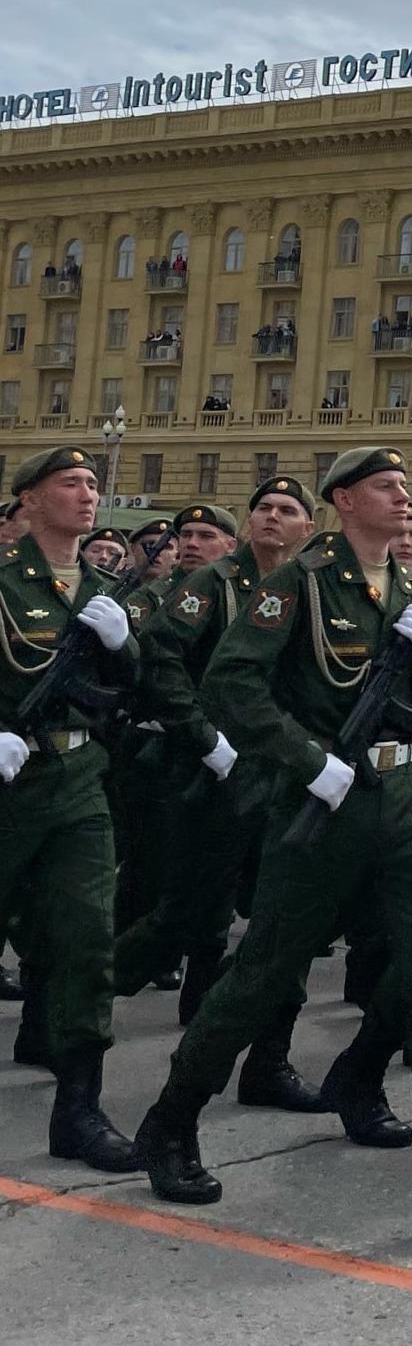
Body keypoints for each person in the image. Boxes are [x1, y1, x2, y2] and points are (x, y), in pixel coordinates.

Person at [134, 446, 412, 1260]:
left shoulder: (402, 590)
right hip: (327, 805)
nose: (404, 498)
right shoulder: (300, 583)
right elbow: (231, 685)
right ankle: (172, 1118)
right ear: (345, 499)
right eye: (387, 488)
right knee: (262, 973)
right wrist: (305, 759)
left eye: (404, 487)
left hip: (409, 805)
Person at [114, 484, 323, 1110]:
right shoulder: (214, 582)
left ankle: (268, 1060)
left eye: (286, 511)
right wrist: (202, 736)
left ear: (308, 526)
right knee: (189, 915)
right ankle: (81, 998)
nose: (271, 516)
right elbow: (161, 654)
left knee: (287, 920)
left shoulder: (312, 584)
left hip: (285, 769)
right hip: (218, 769)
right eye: (262, 508)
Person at [0, 447, 146, 1172]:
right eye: (69, 482)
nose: (87, 494)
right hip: (6, 781)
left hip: (79, 778)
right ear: (27, 501)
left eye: (92, 483)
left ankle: (80, 1110)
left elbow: (135, 684)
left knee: (89, 939)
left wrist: (124, 646)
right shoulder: (2, 582)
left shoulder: (102, 587)